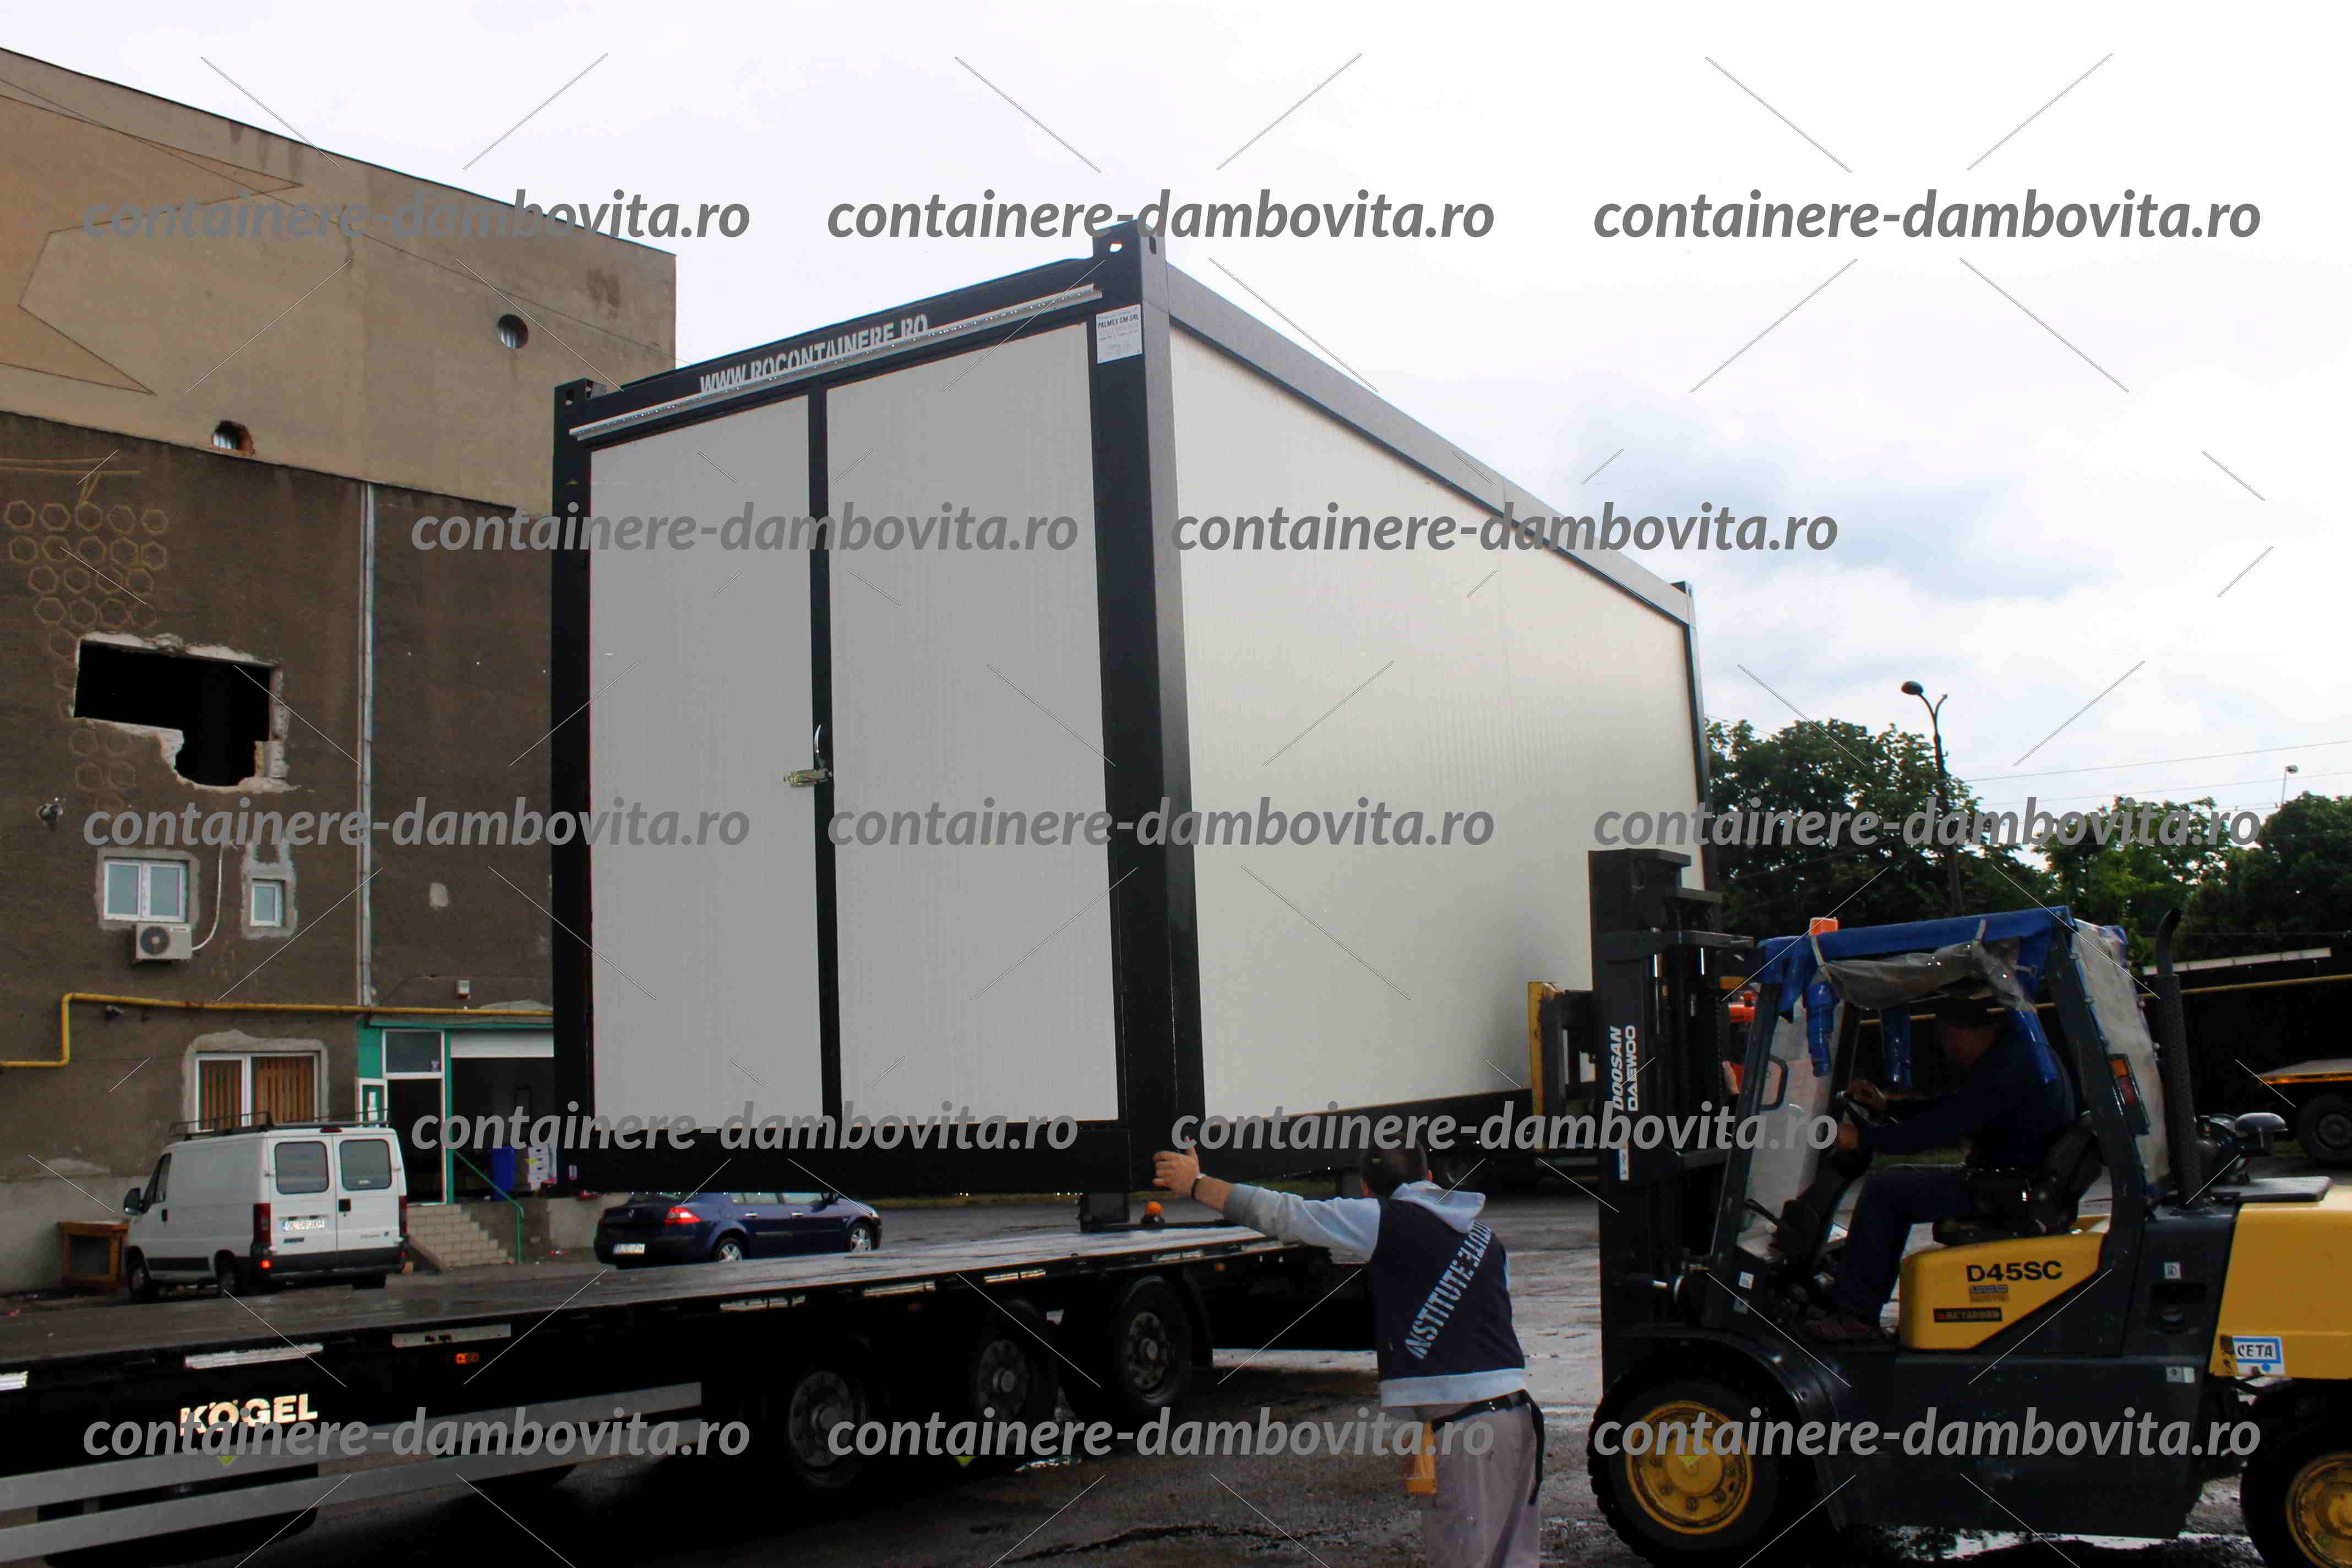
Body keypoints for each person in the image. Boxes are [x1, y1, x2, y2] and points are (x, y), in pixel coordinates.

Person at [1151, 1145, 1540, 1568]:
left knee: (1464, 1557)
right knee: (1514, 1560)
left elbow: (1283, 1213)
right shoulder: (1484, 1238)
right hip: (1517, 1416)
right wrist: (1428, 1428)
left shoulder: (1384, 1218)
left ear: (1367, 1189)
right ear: (1429, 1179)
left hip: (1467, 1430)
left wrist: (1196, 1184)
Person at [1807, 989, 2076, 1344]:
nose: (1947, 1052)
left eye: (1945, 1041)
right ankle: (1853, 1295)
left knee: (1884, 1192)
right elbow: (1956, 1107)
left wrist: (1864, 1140)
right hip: (2012, 1178)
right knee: (1895, 1181)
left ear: (1957, 1034)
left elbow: (1941, 1127)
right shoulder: (2019, 1054)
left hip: (2003, 1187)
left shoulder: (2011, 1066)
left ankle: (1855, 1315)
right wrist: (1890, 1106)